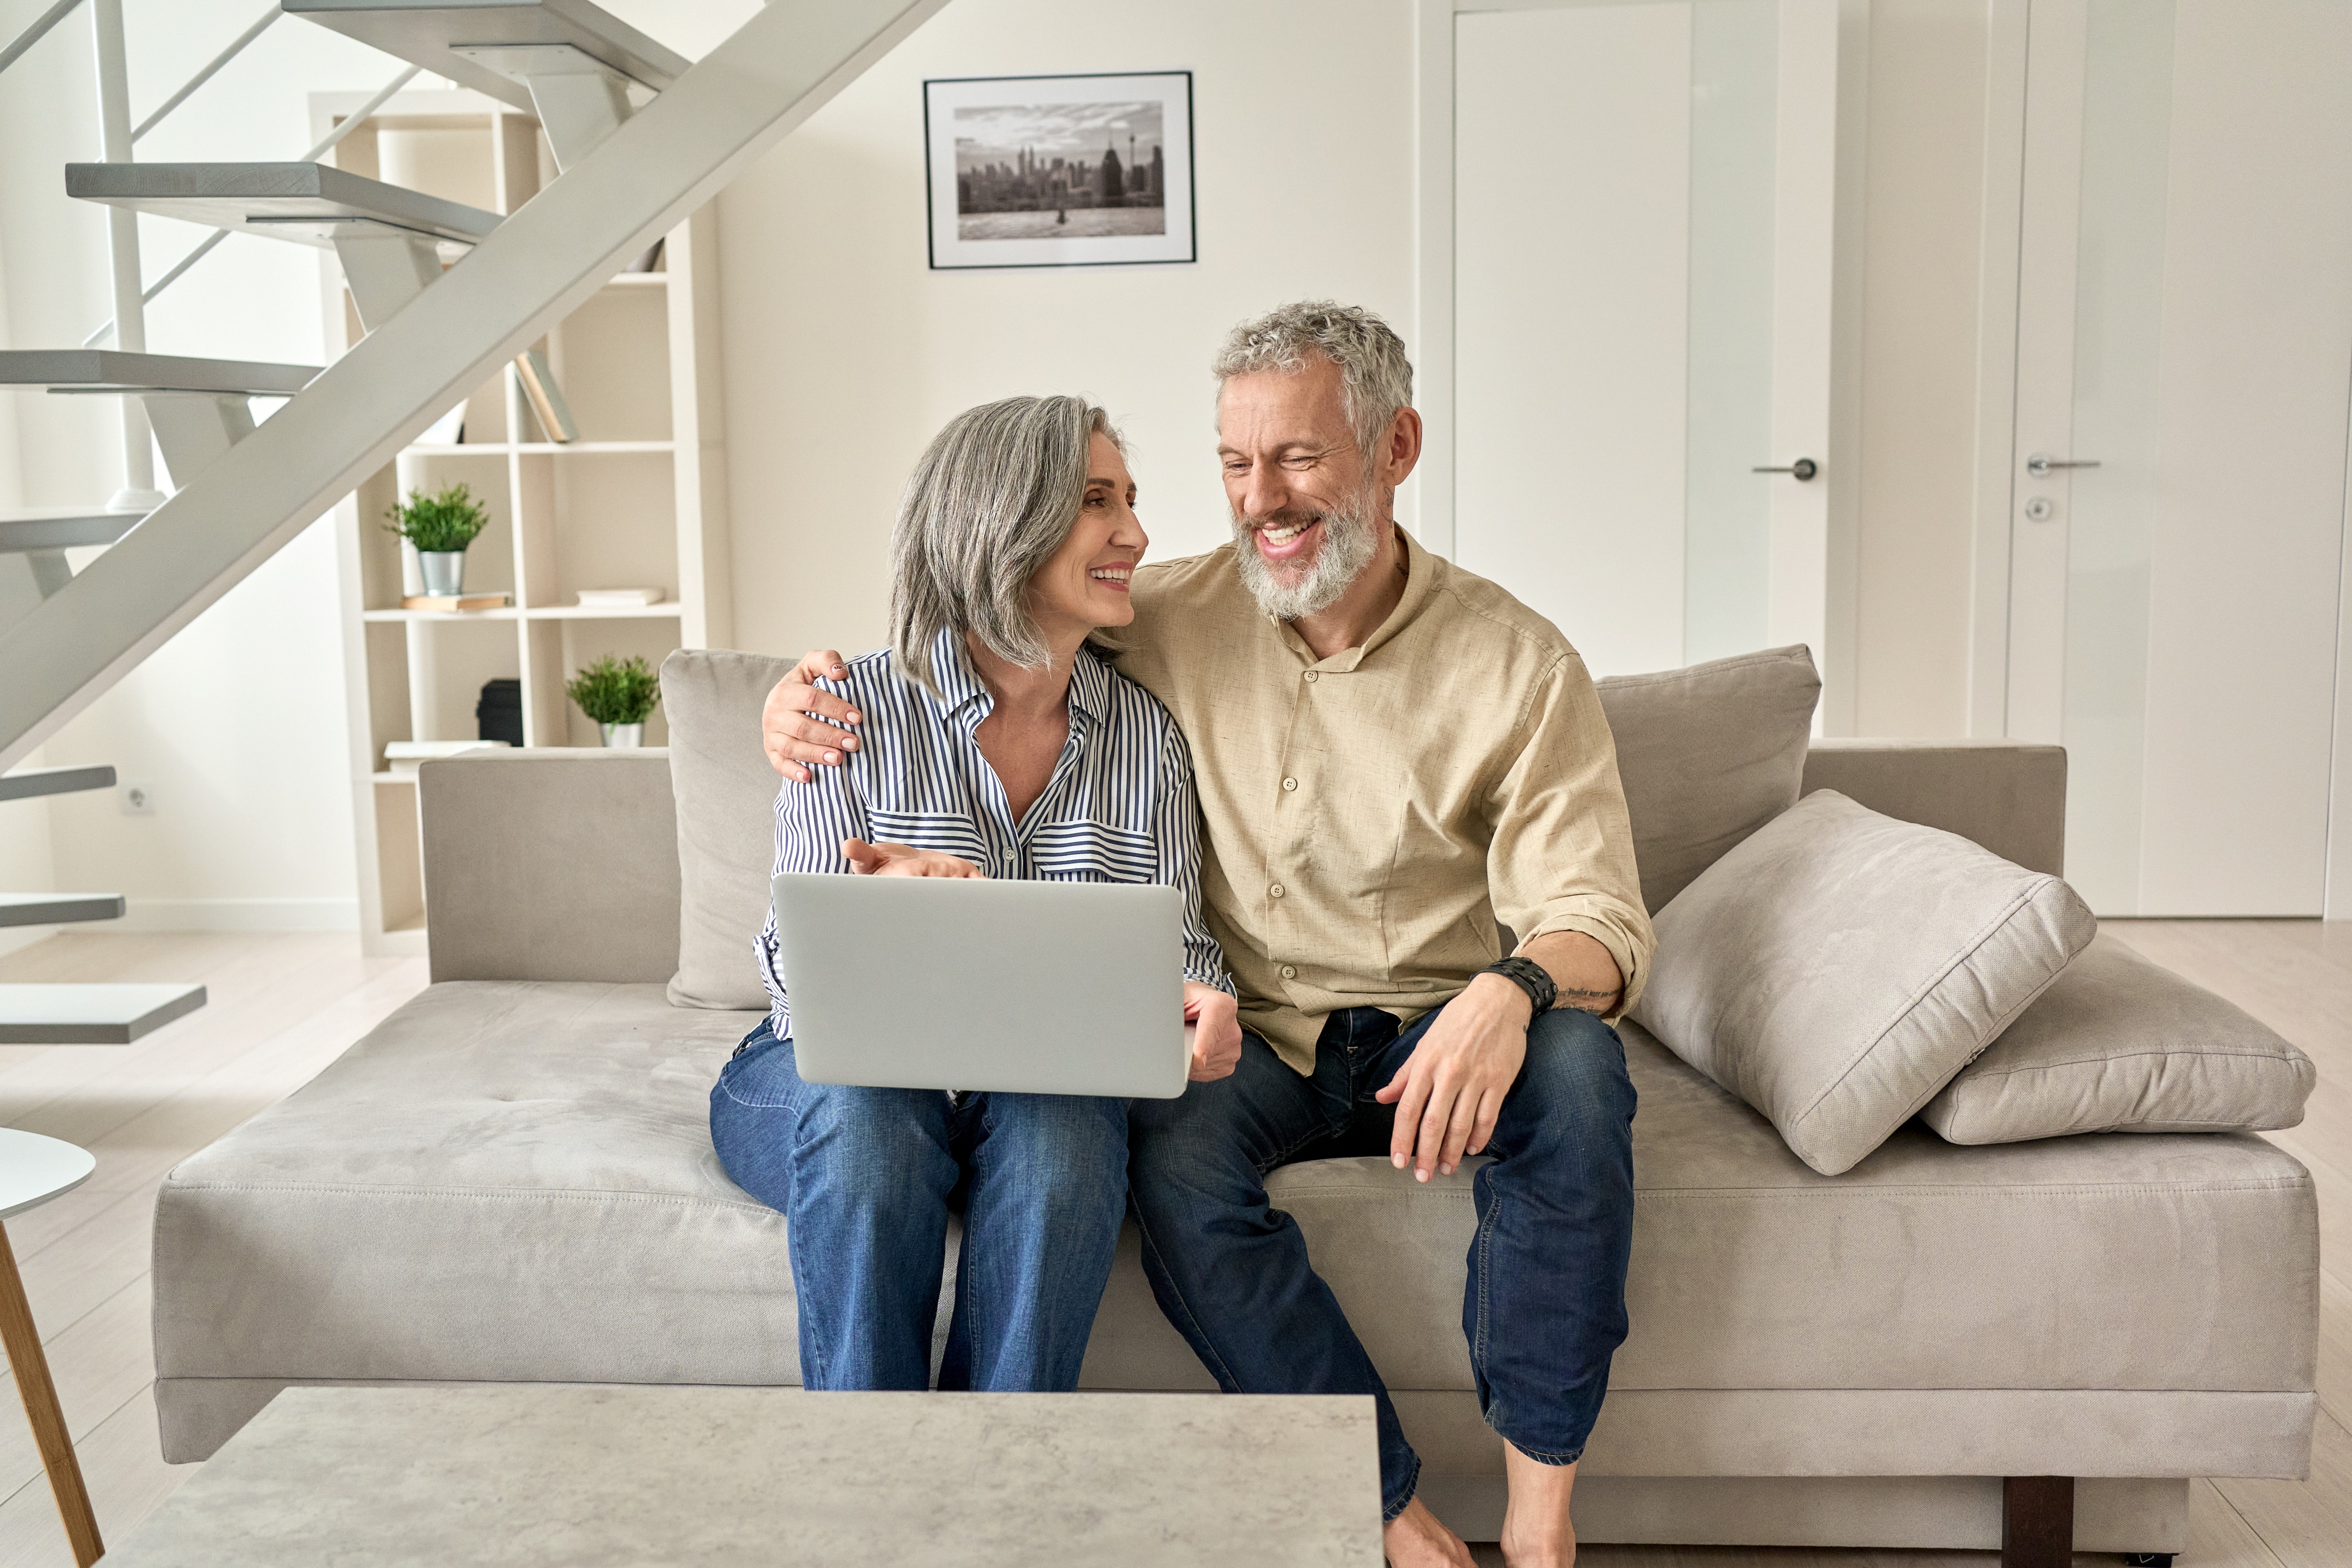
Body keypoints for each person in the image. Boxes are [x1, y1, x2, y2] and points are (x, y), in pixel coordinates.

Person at [760, 305, 1652, 1568]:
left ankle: (1541, 1521)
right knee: (1162, 1151)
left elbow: (1599, 921)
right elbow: (991, 598)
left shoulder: (1517, 664)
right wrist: (792, 699)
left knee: (1578, 1072)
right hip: (1274, 1042)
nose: (1259, 502)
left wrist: (1506, 995)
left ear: (1395, 446)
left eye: (1297, 458)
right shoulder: (1165, 611)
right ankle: (1385, 1508)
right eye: (1234, 464)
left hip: (1440, 1030)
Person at [710, 394, 1241, 1397]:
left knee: (1070, 1131)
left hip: (1035, 1089)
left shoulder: (1145, 740)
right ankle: (867, 1497)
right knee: (871, 1116)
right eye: (1097, 501)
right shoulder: (851, 711)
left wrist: (1205, 1007)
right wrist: (881, 920)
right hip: (824, 1077)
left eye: (1130, 499)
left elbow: (1184, 956)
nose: (1135, 532)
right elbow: (792, 976)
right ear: (1006, 521)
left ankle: (999, 1493)